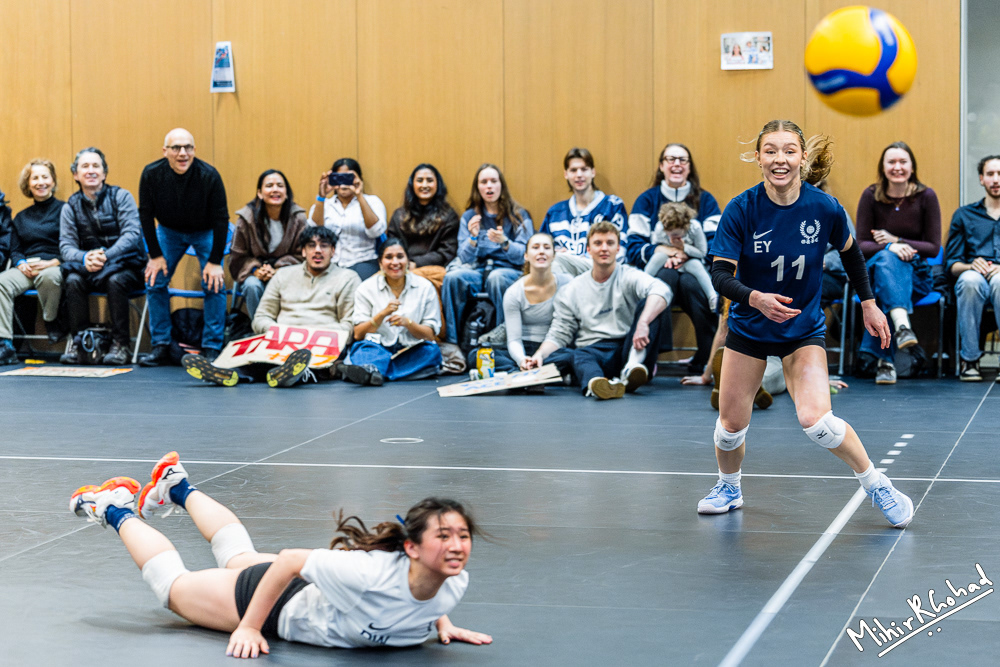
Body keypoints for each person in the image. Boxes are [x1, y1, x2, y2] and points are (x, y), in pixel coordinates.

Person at [697, 119, 913, 530]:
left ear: (802, 158)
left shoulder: (824, 207)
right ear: (757, 158)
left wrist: (869, 303)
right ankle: (729, 487)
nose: (780, 159)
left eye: (789, 151)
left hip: (802, 330)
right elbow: (720, 275)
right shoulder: (741, 209)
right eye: (771, 151)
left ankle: (877, 484)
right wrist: (754, 298)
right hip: (749, 328)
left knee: (818, 421)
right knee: (730, 428)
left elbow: (851, 255)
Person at [68, 451, 492, 658]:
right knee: (171, 589)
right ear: (411, 548)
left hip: (305, 591)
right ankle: (113, 506)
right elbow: (289, 559)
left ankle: (175, 485)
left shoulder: (453, 580)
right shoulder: (367, 573)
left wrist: (442, 621)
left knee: (238, 555)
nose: (457, 546)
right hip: (277, 604)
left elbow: (429, 591)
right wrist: (251, 627)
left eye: (463, 536)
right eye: (445, 536)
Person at [182, 226, 359, 388]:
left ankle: (295, 373)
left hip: (320, 342)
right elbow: (261, 317)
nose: (318, 250)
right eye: (311, 245)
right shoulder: (283, 275)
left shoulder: (348, 278)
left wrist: (315, 335)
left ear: (333, 251)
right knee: (256, 356)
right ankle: (228, 373)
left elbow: (349, 324)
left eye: (324, 246)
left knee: (310, 360)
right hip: (281, 340)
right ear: (303, 251)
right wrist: (278, 332)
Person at [527, 221, 671, 399]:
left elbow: (662, 290)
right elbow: (559, 333)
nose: (604, 248)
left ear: (618, 249)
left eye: (610, 243)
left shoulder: (628, 275)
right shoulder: (572, 289)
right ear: (588, 249)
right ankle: (597, 384)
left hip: (629, 347)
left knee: (652, 305)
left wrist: (643, 322)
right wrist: (539, 355)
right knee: (574, 356)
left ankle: (631, 370)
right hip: (592, 350)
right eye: (598, 243)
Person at [138, 129, 230, 366]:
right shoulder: (151, 174)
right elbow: (146, 216)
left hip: (206, 231)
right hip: (169, 231)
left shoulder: (209, 175)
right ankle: (161, 344)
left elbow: (222, 220)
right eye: (176, 148)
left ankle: (211, 347)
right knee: (154, 279)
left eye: (188, 147)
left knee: (215, 283)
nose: (183, 153)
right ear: (165, 151)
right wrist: (155, 256)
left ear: (194, 150)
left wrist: (214, 261)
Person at [627, 143, 721, 375]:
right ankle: (645, 362)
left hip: (695, 269)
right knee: (663, 280)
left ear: (689, 167)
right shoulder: (646, 200)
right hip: (661, 270)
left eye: (682, 160)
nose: (676, 164)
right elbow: (633, 247)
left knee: (692, 283)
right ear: (661, 166)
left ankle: (709, 358)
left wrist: (684, 253)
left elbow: (715, 245)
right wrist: (663, 251)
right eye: (671, 159)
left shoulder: (705, 201)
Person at [855, 141, 941, 385]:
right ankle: (903, 328)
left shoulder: (926, 196)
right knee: (886, 261)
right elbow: (860, 244)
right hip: (876, 275)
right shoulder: (870, 196)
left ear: (912, 167)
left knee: (885, 278)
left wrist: (897, 240)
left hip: (918, 277)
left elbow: (933, 247)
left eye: (903, 161)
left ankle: (885, 362)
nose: (897, 167)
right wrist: (890, 247)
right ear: (883, 167)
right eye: (891, 162)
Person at [59, 147, 145, 365]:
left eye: (96, 166)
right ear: (76, 175)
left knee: (116, 280)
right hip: (90, 267)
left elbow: (132, 234)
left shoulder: (121, 196)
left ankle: (120, 345)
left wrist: (106, 256)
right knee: (72, 280)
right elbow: (66, 246)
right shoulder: (70, 206)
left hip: (125, 265)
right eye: (85, 166)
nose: (91, 171)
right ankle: (81, 343)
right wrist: (85, 258)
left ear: (104, 173)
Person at [442, 164, 533, 344]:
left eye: (493, 181)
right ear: (478, 188)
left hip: (508, 271)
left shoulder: (519, 216)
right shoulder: (470, 216)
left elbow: (525, 256)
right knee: (453, 278)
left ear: (501, 186)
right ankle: (453, 343)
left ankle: (502, 340)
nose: (489, 186)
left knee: (497, 278)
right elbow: (464, 257)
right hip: (478, 270)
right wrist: (473, 239)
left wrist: (505, 242)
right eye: (484, 182)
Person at [339, 238, 443, 386]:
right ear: (380, 263)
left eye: (400, 257)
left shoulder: (425, 287)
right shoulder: (366, 288)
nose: (395, 262)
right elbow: (358, 334)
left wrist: (408, 323)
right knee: (362, 348)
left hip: (410, 350)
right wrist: (382, 314)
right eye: (388, 257)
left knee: (432, 352)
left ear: (408, 260)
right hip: (377, 347)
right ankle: (390, 371)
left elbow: (429, 334)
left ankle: (375, 371)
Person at [468, 232, 574, 375]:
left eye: (547, 247)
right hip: (522, 347)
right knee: (475, 355)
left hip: (553, 349)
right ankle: (529, 372)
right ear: (526, 256)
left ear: (554, 255)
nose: (541, 251)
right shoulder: (514, 292)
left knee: (575, 357)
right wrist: (522, 359)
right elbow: (514, 340)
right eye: (535, 247)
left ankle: (520, 374)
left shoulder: (567, 283)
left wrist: (540, 355)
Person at [0, 159, 65, 364]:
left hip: (54, 264)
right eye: (35, 178)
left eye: (45, 177)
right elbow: (15, 249)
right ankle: (5, 343)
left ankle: (50, 321)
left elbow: (72, 245)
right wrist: (20, 264)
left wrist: (54, 262)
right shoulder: (21, 217)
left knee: (50, 277)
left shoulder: (66, 211)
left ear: (53, 182)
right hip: (27, 267)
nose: (40, 182)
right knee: (1, 282)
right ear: (28, 185)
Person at [945, 154, 1000, 381]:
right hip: (973, 276)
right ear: (981, 179)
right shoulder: (964, 215)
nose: (996, 179)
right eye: (990, 174)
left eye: (999, 174)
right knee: (969, 280)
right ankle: (970, 360)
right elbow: (952, 264)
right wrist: (970, 265)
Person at [230, 169, 309, 319]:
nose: (275, 190)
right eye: (269, 186)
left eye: (280, 185)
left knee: (289, 285)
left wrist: (279, 270)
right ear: (259, 193)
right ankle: (260, 331)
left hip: (288, 272)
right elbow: (237, 256)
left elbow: (303, 254)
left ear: (286, 192)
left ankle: (285, 330)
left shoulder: (298, 218)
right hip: (254, 273)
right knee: (252, 286)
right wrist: (255, 269)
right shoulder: (246, 218)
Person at [539, 147, 628, 276]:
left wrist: (564, 256)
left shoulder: (612, 206)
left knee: (556, 261)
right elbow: (541, 249)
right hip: (562, 275)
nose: (579, 175)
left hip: (601, 273)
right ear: (566, 174)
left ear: (593, 172)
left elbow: (620, 252)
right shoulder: (555, 212)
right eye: (573, 170)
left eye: (584, 169)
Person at [310, 157, 387, 281]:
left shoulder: (372, 202)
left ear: (359, 179)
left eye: (348, 178)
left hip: (363, 261)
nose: (343, 184)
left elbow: (376, 232)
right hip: (330, 263)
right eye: (339, 178)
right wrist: (321, 196)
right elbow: (315, 234)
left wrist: (359, 195)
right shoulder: (325, 204)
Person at [387, 163, 460, 290]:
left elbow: (447, 252)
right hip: (401, 267)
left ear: (437, 184)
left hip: (434, 269)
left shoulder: (449, 215)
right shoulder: (400, 215)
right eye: (420, 180)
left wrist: (416, 264)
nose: (424, 185)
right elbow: (391, 245)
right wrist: (403, 263)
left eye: (430, 180)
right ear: (412, 185)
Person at [643, 201, 717, 310]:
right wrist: (673, 254)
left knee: (697, 266)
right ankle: (641, 287)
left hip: (689, 259)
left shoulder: (695, 227)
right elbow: (657, 247)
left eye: (677, 234)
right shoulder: (660, 227)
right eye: (670, 234)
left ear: (685, 227)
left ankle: (713, 297)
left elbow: (702, 253)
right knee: (656, 258)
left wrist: (684, 248)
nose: (673, 237)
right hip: (668, 259)